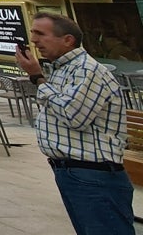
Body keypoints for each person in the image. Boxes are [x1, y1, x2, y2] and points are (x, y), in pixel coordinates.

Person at [16, 12, 132, 235]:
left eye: (40, 34)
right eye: (33, 34)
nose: (35, 41)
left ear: (68, 40)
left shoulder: (88, 71)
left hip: (93, 175)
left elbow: (73, 115)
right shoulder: (61, 69)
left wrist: (37, 78)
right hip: (74, 172)